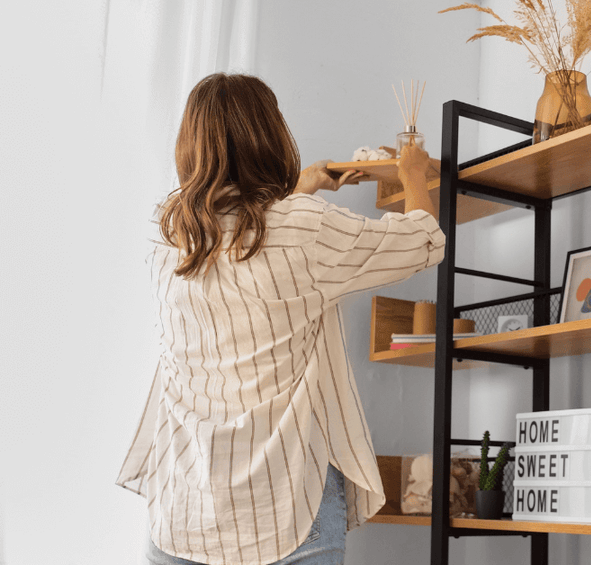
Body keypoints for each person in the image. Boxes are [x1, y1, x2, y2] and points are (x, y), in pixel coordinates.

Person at [115, 73, 444, 565]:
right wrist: (413, 172)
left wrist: (300, 188)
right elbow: (422, 241)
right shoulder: (304, 230)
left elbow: (244, 237)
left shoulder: (170, 238)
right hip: (286, 506)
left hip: (183, 509)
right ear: (270, 136)